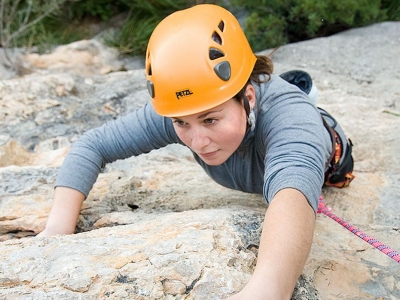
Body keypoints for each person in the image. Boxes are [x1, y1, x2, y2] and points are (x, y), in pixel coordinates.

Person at [38, 4, 354, 299]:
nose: (198, 141)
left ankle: (300, 90)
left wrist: (265, 290)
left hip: (317, 136)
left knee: (298, 106)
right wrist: (55, 231)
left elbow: (293, 192)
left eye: (211, 120)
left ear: (248, 97)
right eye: (181, 123)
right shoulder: (189, 106)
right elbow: (93, 144)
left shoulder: (292, 123)